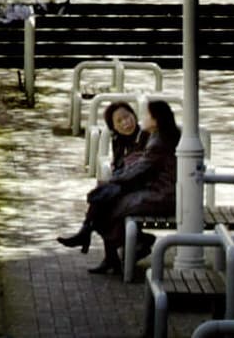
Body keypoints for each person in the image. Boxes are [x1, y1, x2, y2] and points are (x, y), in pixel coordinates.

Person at [57, 99, 179, 275]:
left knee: (108, 201)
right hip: (145, 188)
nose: (127, 123)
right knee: (107, 197)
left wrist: (113, 182)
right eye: (119, 121)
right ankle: (105, 247)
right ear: (113, 127)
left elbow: (141, 169)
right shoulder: (125, 140)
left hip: (156, 193)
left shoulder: (152, 138)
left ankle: (97, 236)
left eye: (128, 117)